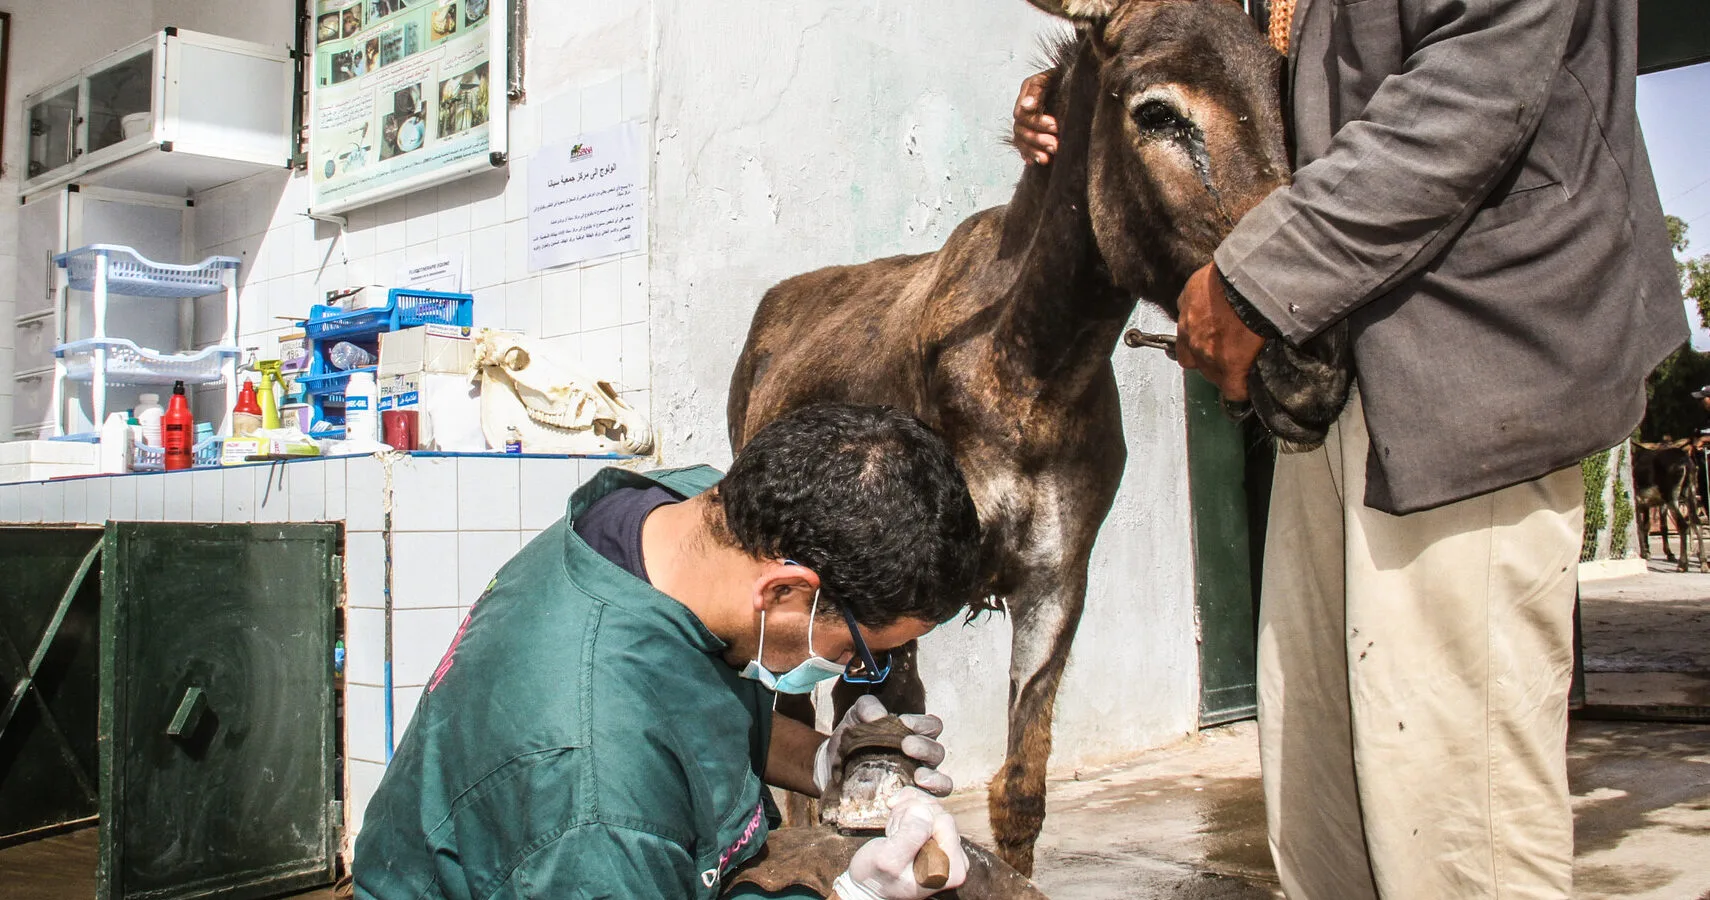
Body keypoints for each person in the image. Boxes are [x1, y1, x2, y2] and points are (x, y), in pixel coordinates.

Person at [1017, 1, 1684, 898]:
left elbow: (1471, 87)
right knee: (1321, 808)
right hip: (1330, 375)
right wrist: (1082, 92)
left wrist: (1257, 282)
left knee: (1454, 826)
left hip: (1470, 367)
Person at [354, 402, 981, 900]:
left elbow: (693, 704)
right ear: (786, 590)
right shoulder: (596, 791)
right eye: (859, 651)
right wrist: (853, 894)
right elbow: (619, 791)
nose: (853, 673)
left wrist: (825, 762)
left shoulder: (697, 521)